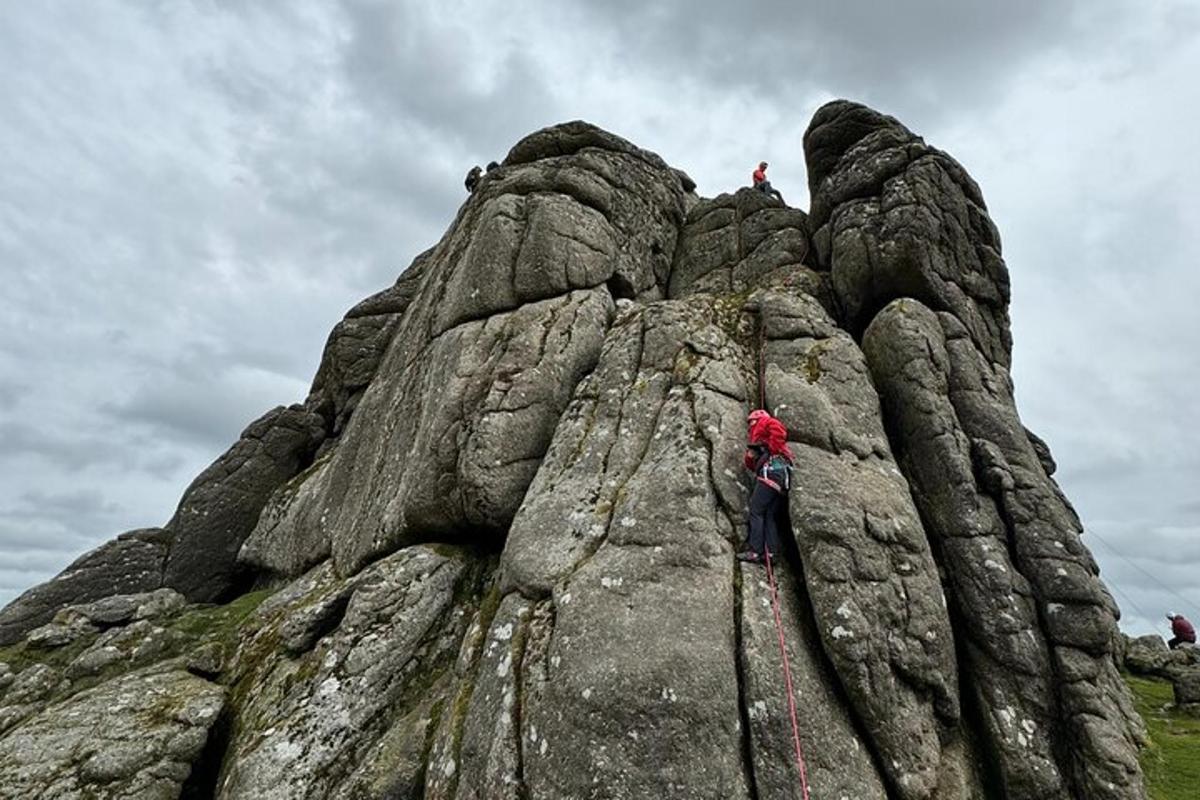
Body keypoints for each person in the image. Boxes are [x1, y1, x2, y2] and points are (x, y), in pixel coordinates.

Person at [737, 409, 793, 564]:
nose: (750, 426)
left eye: (751, 422)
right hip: (779, 477)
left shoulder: (766, 423)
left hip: (771, 473)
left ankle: (755, 551)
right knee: (768, 514)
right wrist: (751, 456)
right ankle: (771, 554)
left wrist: (771, 447)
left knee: (756, 510)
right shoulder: (762, 446)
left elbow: (778, 430)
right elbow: (752, 465)